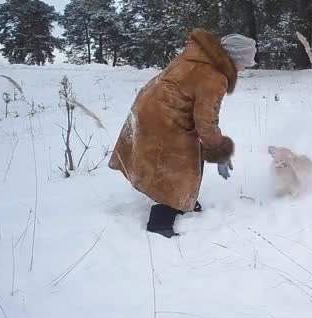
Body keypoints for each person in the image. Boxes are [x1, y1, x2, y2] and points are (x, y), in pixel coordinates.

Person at [108, 29, 257, 238]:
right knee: (179, 165)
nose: (242, 69)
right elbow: (205, 122)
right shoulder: (214, 75)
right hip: (164, 117)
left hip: (150, 107)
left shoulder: (199, 55)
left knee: (180, 160)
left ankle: (182, 200)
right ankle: (161, 222)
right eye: (243, 63)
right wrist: (219, 150)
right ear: (233, 58)